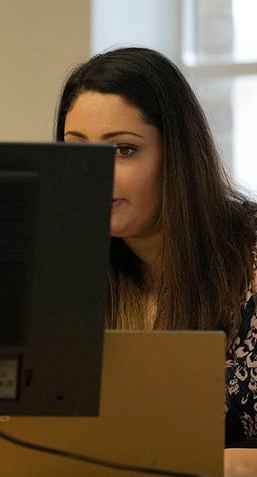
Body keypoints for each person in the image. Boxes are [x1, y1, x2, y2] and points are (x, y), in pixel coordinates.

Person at [54, 46, 257, 475]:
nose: (95, 173)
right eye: (77, 150)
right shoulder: (65, 269)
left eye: (123, 151)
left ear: (177, 156)